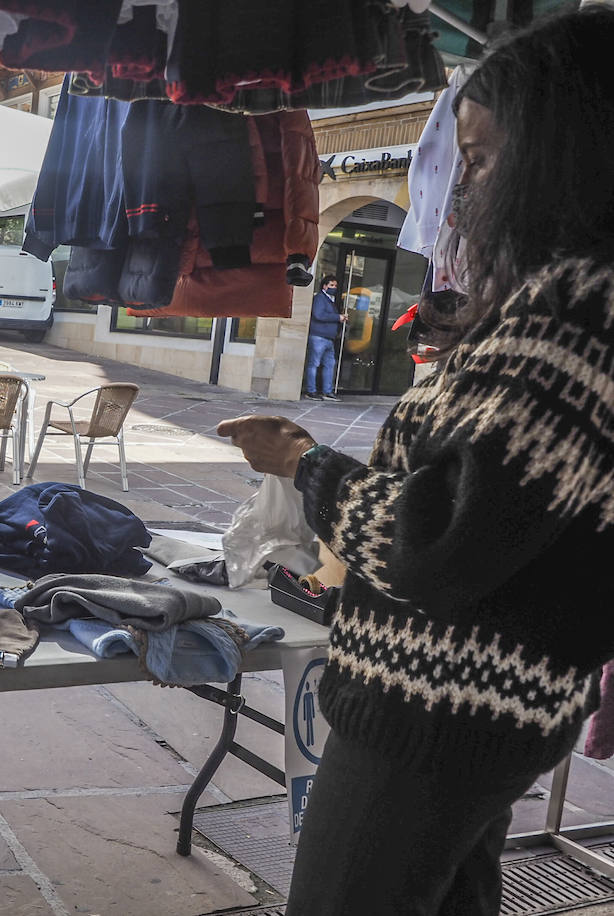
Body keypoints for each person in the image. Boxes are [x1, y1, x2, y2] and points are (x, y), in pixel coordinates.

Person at [219, 9, 614, 913]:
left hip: (436, 707)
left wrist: (303, 464)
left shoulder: (573, 309)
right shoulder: (566, 302)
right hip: (476, 710)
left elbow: (436, 542)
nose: (462, 184)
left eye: (478, 158)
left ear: (565, 150)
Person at [304, 274, 346, 400]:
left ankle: (327, 391)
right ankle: (311, 391)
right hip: (318, 337)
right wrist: (337, 317)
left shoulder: (329, 300)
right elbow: (319, 315)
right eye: (331, 285)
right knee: (314, 364)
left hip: (328, 338)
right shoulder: (320, 298)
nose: (334, 287)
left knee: (329, 364)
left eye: (335, 285)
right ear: (324, 286)